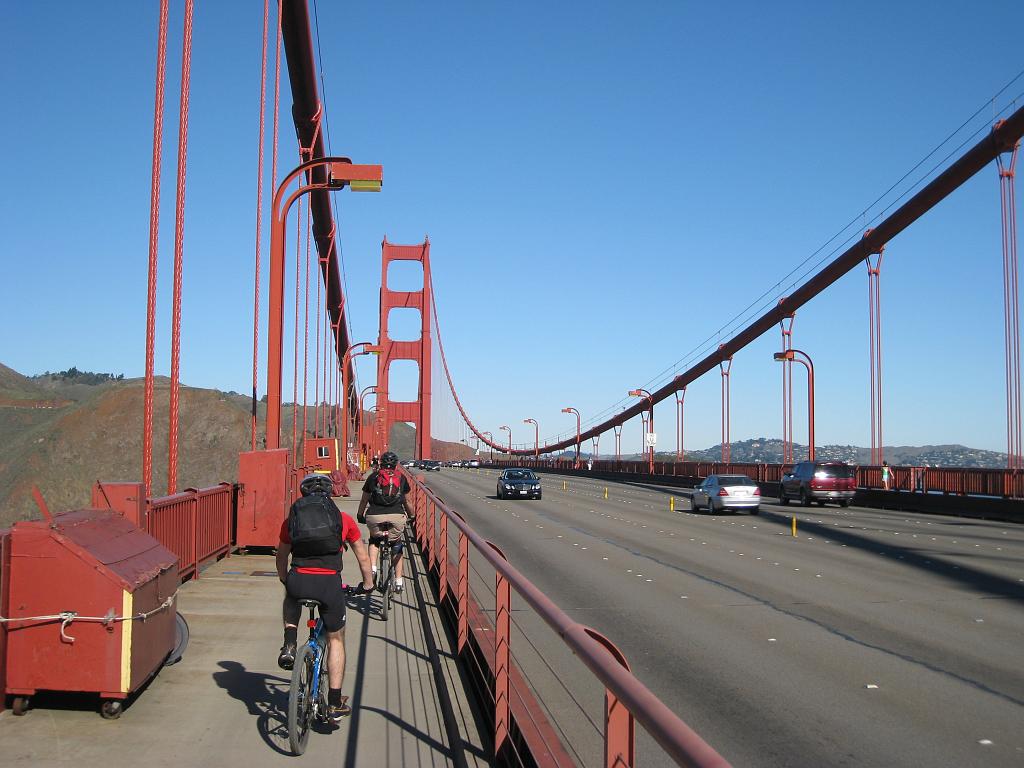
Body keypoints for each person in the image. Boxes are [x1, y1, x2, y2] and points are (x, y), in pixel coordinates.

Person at [276, 473, 374, 721]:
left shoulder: (292, 520)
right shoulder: (344, 520)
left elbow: (281, 556)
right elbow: (363, 557)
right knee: (336, 640)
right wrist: (367, 584)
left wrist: (285, 579)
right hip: (329, 583)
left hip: (299, 578)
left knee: (290, 597)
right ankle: (333, 703)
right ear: (331, 494)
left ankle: (289, 643)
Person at [356, 451, 413, 593]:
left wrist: (359, 515)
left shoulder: (373, 477)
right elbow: (408, 501)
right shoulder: (402, 478)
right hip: (397, 517)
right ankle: (399, 581)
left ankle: (373, 569)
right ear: (396, 465)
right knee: (397, 544)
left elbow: (364, 499)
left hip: (375, 517)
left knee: (374, 540)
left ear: (380, 463)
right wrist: (412, 515)